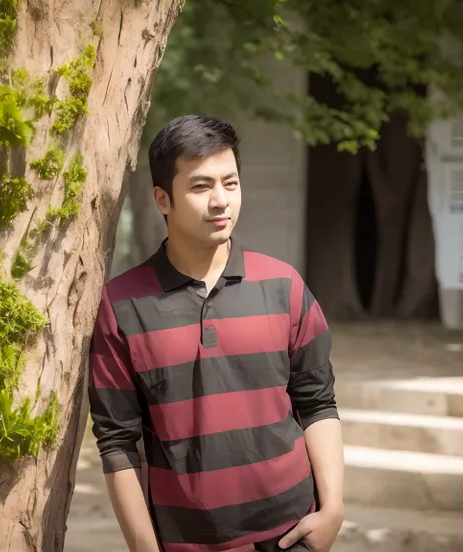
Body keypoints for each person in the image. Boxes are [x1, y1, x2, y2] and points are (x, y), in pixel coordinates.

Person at [88, 115, 344, 552]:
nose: (220, 201)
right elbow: (116, 441)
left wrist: (333, 509)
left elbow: (318, 403)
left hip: (294, 535)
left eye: (231, 183)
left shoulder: (284, 286)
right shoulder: (121, 305)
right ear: (162, 198)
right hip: (185, 542)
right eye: (201, 186)